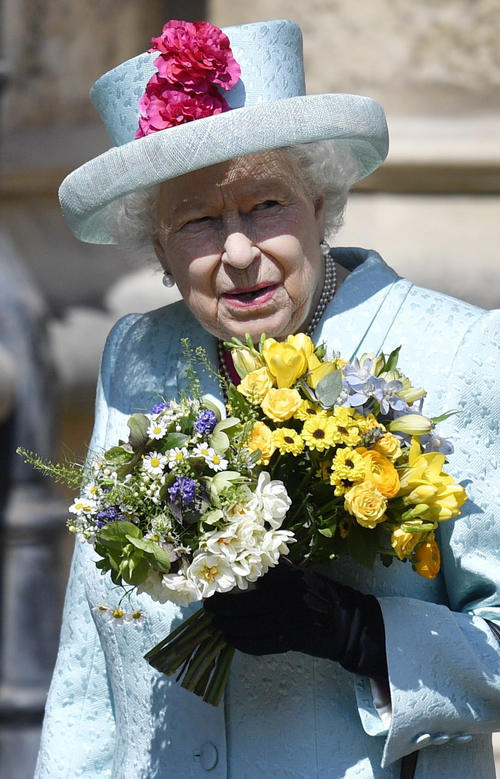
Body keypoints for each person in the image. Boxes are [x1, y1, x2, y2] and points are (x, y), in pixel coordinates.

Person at [35, 19, 500, 779]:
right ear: (157, 246)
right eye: (199, 221)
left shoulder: (454, 353)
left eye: (266, 206)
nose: (240, 252)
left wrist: (361, 632)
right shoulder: (137, 357)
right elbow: (91, 672)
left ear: (321, 202)